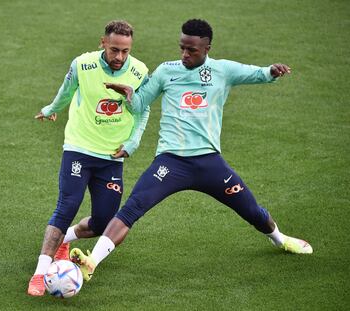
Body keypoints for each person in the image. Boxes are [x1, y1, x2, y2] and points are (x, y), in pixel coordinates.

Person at [70, 19, 313, 282]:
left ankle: (280, 239)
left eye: (192, 50)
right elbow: (141, 104)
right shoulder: (166, 71)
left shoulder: (222, 70)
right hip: (170, 163)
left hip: (210, 164)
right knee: (131, 209)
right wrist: (130, 95)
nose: (185, 54)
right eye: (182, 48)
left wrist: (271, 72)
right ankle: (92, 262)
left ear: (207, 47)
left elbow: (255, 73)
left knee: (251, 210)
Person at [27, 20, 150, 296]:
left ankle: (65, 239)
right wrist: (51, 108)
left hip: (112, 156)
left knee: (104, 222)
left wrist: (132, 142)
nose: (119, 57)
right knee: (67, 205)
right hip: (79, 147)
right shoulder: (83, 65)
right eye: (114, 49)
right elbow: (66, 90)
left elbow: (143, 111)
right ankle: (39, 273)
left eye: (125, 51)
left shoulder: (140, 71)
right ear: (102, 43)